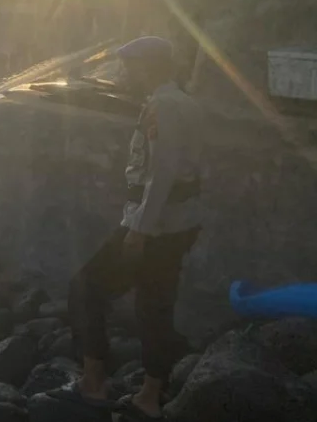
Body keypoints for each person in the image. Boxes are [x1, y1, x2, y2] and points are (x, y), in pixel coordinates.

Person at [56, 36, 204, 419]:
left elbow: (162, 171)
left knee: (86, 288)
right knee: (154, 307)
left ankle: (93, 383)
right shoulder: (185, 101)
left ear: (147, 67)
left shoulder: (163, 105)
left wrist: (139, 229)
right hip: (179, 223)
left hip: (155, 225)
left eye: (130, 66)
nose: (126, 73)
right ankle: (150, 396)